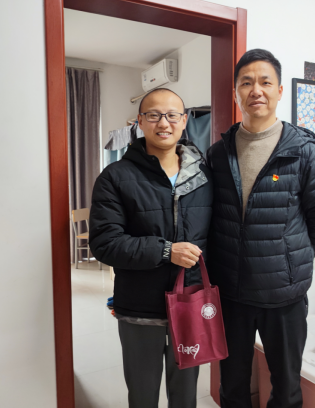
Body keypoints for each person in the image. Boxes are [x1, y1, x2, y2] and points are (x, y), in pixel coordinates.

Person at [206, 49, 315, 408]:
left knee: (286, 387)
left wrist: (290, 257)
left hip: (284, 296)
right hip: (231, 293)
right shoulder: (218, 154)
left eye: (265, 82)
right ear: (236, 93)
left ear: (279, 91)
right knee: (232, 385)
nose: (256, 90)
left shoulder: (304, 152)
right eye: (246, 83)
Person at [89, 88, 213, 408]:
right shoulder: (115, 177)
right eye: (154, 115)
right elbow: (105, 243)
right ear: (140, 122)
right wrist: (166, 251)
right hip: (139, 308)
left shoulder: (204, 175)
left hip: (191, 303)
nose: (164, 123)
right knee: (142, 396)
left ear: (184, 121)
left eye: (172, 115)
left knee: (185, 396)